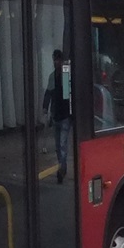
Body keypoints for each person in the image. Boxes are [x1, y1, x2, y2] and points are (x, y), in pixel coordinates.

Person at [42, 49, 71, 183]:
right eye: (54, 59)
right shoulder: (52, 77)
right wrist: (45, 107)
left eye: (57, 59)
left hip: (64, 116)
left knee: (62, 144)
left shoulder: (65, 76)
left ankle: (62, 169)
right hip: (56, 115)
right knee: (58, 146)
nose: (55, 62)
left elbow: (67, 96)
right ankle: (61, 166)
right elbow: (48, 93)